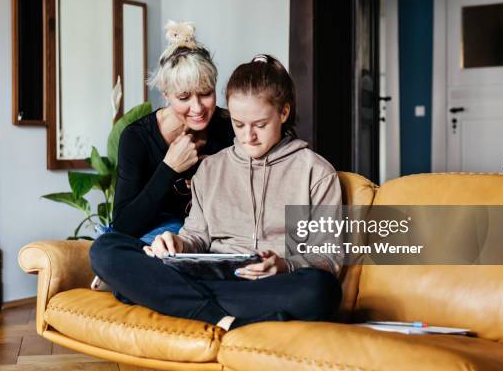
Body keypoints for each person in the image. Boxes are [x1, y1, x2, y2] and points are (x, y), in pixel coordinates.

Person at [91, 54, 343, 330]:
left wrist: (284, 265)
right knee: (106, 249)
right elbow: (196, 236)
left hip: (270, 284)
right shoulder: (211, 167)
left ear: (283, 113)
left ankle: (168, 299)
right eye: (238, 124)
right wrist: (177, 244)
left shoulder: (315, 172)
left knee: (321, 291)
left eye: (260, 125)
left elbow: (328, 259)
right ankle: (223, 318)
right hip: (211, 277)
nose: (248, 137)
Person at [110, 20, 234, 244]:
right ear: (166, 94)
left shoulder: (231, 127)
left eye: (206, 93)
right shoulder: (137, 138)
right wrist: (170, 168)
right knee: (106, 247)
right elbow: (122, 225)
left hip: (209, 239)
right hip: (153, 240)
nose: (197, 108)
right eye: (184, 98)